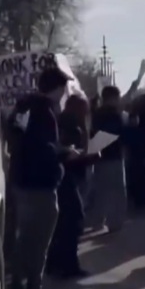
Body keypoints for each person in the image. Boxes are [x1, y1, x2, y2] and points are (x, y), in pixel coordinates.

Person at [7, 67, 80, 289]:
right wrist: (65, 152)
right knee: (39, 242)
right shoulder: (44, 112)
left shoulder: (23, 107)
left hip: (21, 181)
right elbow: (43, 149)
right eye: (64, 88)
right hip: (40, 184)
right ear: (57, 88)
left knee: (25, 239)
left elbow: (20, 140)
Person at [46, 95, 100, 279]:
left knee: (62, 224)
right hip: (67, 178)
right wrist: (89, 155)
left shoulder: (61, 122)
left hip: (64, 177)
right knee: (73, 222)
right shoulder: (72, 126)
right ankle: (68, 266)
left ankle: (55, 263)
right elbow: (68, 155)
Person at [91, 85, 129, 233]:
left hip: (99, 155)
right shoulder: (115, 114)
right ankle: (115, 222)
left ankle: (97, 221)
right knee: (117, 191)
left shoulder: (97, 113)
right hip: (114, 155)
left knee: (101, 191)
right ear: (113, 98)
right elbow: (119, 133)